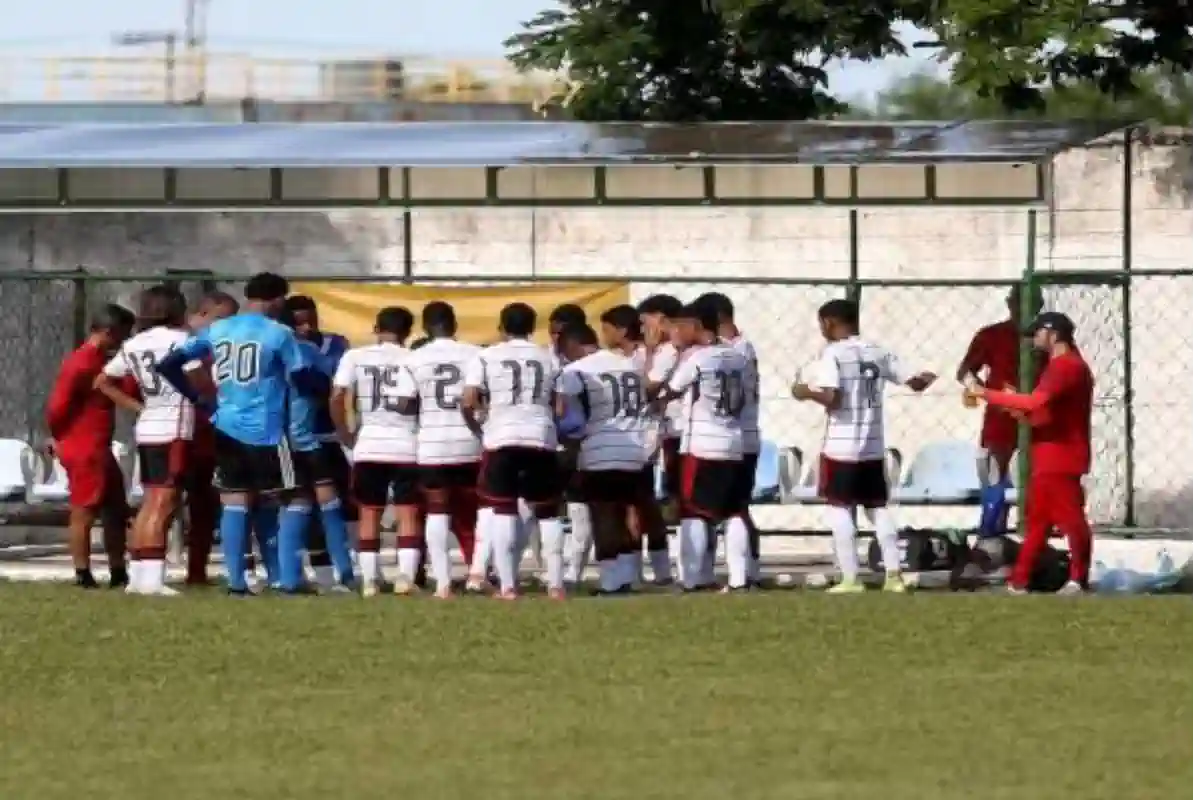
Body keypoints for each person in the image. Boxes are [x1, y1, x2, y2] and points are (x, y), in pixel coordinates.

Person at [155, 271, 325, 595]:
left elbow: (168, 365)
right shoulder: (279, 333)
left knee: (235, 501)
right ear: (277, 299)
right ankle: (288, 578)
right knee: (297, 497)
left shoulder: (217, 329)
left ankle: (237, 582)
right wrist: (319, 387)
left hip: (226, 426)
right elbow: (302, 377)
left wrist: (199, 401)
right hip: (268, 430)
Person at [791, 299, 937, 594]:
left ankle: (850, 578)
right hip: (872, 445)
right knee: (878, 509)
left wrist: (803, 391)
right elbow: (915, 382)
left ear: (829, 323)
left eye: (822, 324)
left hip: (841, 446)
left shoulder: (832, 354)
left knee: (839, 509)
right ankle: (894, 575)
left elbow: (833, 397)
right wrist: (928, 377)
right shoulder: (878, 351)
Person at [965, 311, 1094, 595]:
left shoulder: (1067, 367)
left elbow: (1035, 402)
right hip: (1046, 456)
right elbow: (1041, 415)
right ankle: (1019, 582)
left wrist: (986, 393)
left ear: (1053, 334)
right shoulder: (1057, 367)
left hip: (1062, 457)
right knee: (1037, 524)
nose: (1034, 339)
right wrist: (1011, 404)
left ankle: (1079, 579)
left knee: (1072, 521)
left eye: (1037, 333)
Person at [93, 285, 193, 596]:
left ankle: (139, 575)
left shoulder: (135, 343)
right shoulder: (181, 341)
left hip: (148, 426)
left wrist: (139, 407)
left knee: (150, 501)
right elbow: (198, 378)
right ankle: (151, 579)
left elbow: (103, 381)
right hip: (173, 427)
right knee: (164, 502)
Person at [462, 302, 564, 600]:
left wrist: (480, 426)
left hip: (501, 437)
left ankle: (508, 586)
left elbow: (469, 401)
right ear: (532, 328)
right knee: (547, 512)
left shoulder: (486, 356)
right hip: (540, 436)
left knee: (504, 509)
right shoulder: (549, 358)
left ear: (502, 327)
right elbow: (560, 406)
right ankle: (556, 585)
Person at [655, 302, 751, 592]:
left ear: (697, 326)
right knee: (734, 511)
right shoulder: (738, 357)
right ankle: (739, 579)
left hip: (703, 445)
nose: (677, 331)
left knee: (693, 512)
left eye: (682, 325)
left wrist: (655, 406)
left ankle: (693, 579)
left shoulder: (699, 359)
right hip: (734, 442)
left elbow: (671, 390)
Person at [331, 307, 421, 597]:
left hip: (369, 442)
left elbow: (337, 396)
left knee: (369, 512)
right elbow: (411, 403)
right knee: (408, 512)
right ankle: (405, 577)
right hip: (407, 444)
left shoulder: (355, 356)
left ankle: (369, 580)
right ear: (408, 332)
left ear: (376, 328)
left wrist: (345, 433)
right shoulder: (414, 359)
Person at [557, 322, 652, 595]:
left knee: (604, 515)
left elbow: (563, 409)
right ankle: (627, 575)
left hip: (601, 448)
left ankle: (611, 580)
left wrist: (567, 436)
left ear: (572, 347)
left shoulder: (578, 369)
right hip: (635, 447)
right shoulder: (629, 365)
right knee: (627, 512)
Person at [45, 303, 135, 589]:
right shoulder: (82, 362)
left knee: (116, 509)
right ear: (109, 332)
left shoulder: (101, 361)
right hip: (85, 446)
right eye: (123, 333)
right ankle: (82, 573)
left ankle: (118, 569)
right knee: (84, 509)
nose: (125, 340)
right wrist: (61, 439)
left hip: (100, 446)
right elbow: (58, 407)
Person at [401, 301, 485, 598]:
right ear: (455, 324)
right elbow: (481, 398)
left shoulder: (415, 358)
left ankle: (443, 583)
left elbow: (404, 402)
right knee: (476, 514)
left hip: (432, 444)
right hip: (469, 442)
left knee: (436, 511)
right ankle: (478, 574)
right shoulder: (476, 353)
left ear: (424, 327)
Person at [957, 286, 1045, 537]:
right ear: (1010, 304)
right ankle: (990, 535)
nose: (1023, 309)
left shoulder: (1046, 338)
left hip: (1036, 420)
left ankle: (1032, 533)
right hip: (1000, 419)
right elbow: (964, 371)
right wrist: (978, 389)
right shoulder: (992, 335)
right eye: (1018, 303)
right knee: (994, 477)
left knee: (1037, 479)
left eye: (1030, 303)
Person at [280, 306, 355, 593]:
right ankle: (343, 575)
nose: (307, 327)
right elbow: (322, 387)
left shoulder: (269, 353)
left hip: (280, 441)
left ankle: (289, 579)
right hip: (306, 439)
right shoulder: (306, 352)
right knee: (328, 504)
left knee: (296, 505)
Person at [599, 303, 671, 585]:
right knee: (628, 506)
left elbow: (648, 388)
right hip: (623, 437)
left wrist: (650, 353)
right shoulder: (612, 358)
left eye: (606, 329)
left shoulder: (652, 354)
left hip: (645, 438)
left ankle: (661, 570)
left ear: (620, 330)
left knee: (644, 505)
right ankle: (633, 571)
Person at [694, 292, 763, 586]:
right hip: (740, 435)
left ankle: (747, 571)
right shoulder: (739, 349)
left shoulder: (734, 352)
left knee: (732, 508)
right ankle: (742, 572)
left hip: (736, 434)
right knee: (731, 508)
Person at [639, 294, 687, 521]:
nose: (644, 329)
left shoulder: (668, 350)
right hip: (673, 427)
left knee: (676, 493)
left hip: (676, 427)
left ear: (661, 319)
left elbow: (647, 387)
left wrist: (649, 351)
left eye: (646, 322)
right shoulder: (680, 347)